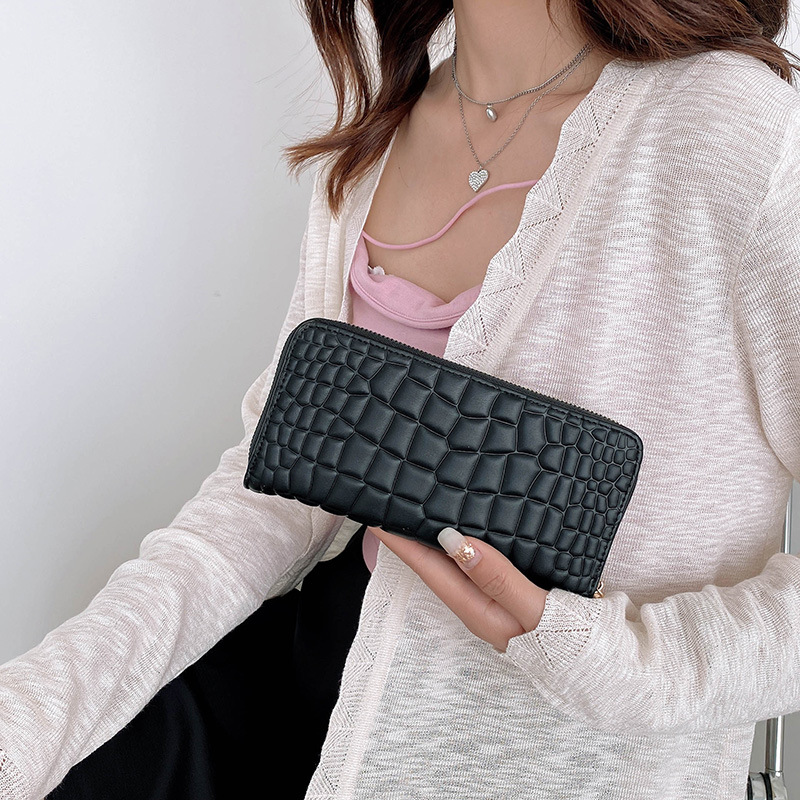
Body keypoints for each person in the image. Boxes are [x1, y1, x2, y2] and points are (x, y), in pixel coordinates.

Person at [2, 0, 800, 798]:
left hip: (550, 757)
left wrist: (617, 661)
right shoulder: (386, 129)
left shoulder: (735, 130)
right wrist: (30, 717)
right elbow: (272, 492)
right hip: (323, 672)